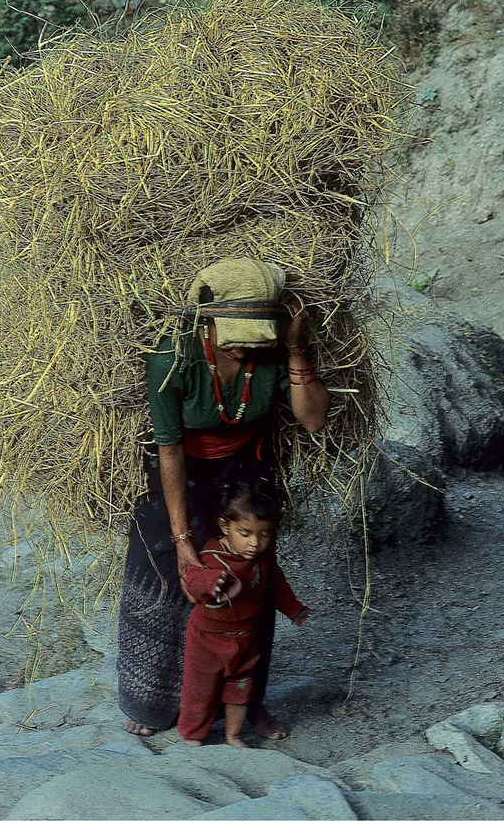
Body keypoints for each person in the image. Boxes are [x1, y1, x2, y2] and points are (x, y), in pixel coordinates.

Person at [117, 257, 329, 738]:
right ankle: (153, 705)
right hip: (180, 474)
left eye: (257, 337)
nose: (243, 348)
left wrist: (296, 349)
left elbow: (313, 419)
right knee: (170, 578)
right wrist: (183, 537)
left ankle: (244, 704)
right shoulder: (172, 358)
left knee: (247, 581)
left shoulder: (274, 352)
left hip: (245, 474)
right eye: (234, 335)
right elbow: (168, 449)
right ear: (206, 321)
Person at [178, 479, 310, 747]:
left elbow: (277, 585)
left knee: (240, 689)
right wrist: (212, 582)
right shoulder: (213, 555)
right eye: (246, 533)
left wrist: (295, 610)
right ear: (225, 526)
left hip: (245, 639)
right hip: (207, 640)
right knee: (198, 690)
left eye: (264, 535)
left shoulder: (262, 560)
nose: (255, 543)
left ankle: (233, 735)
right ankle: (193, 736)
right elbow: (192, 578)